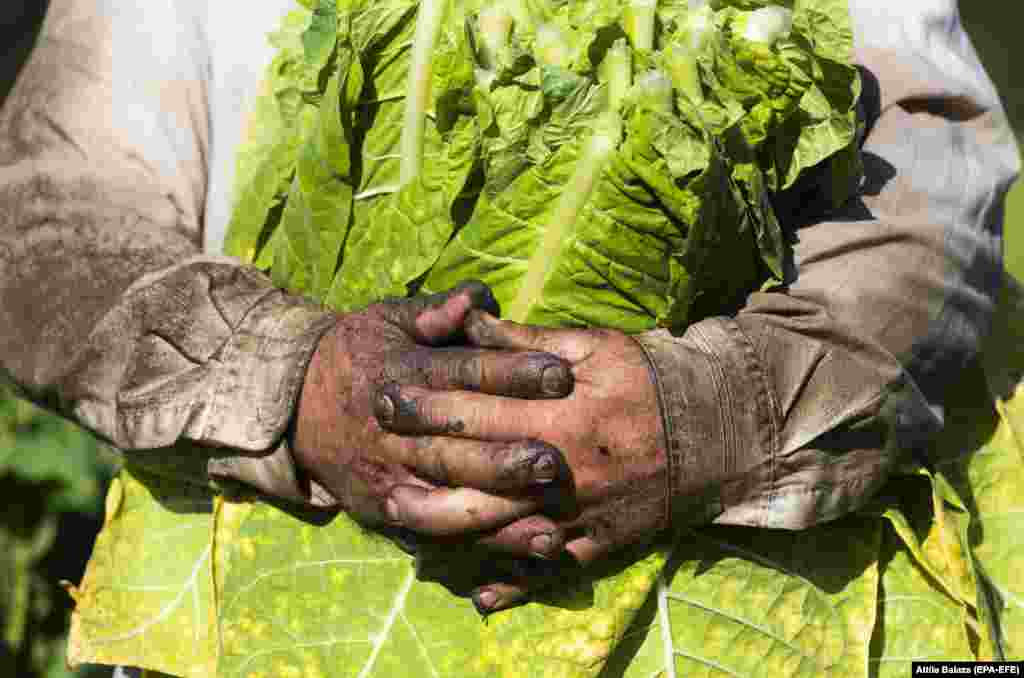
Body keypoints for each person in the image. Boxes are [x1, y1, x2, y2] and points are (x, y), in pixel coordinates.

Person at [0, 0, 1018, 673]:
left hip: (715, 586)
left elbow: (933, 187)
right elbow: (48, 213)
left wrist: (711, 411)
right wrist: (293, 378)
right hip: (260, 588)